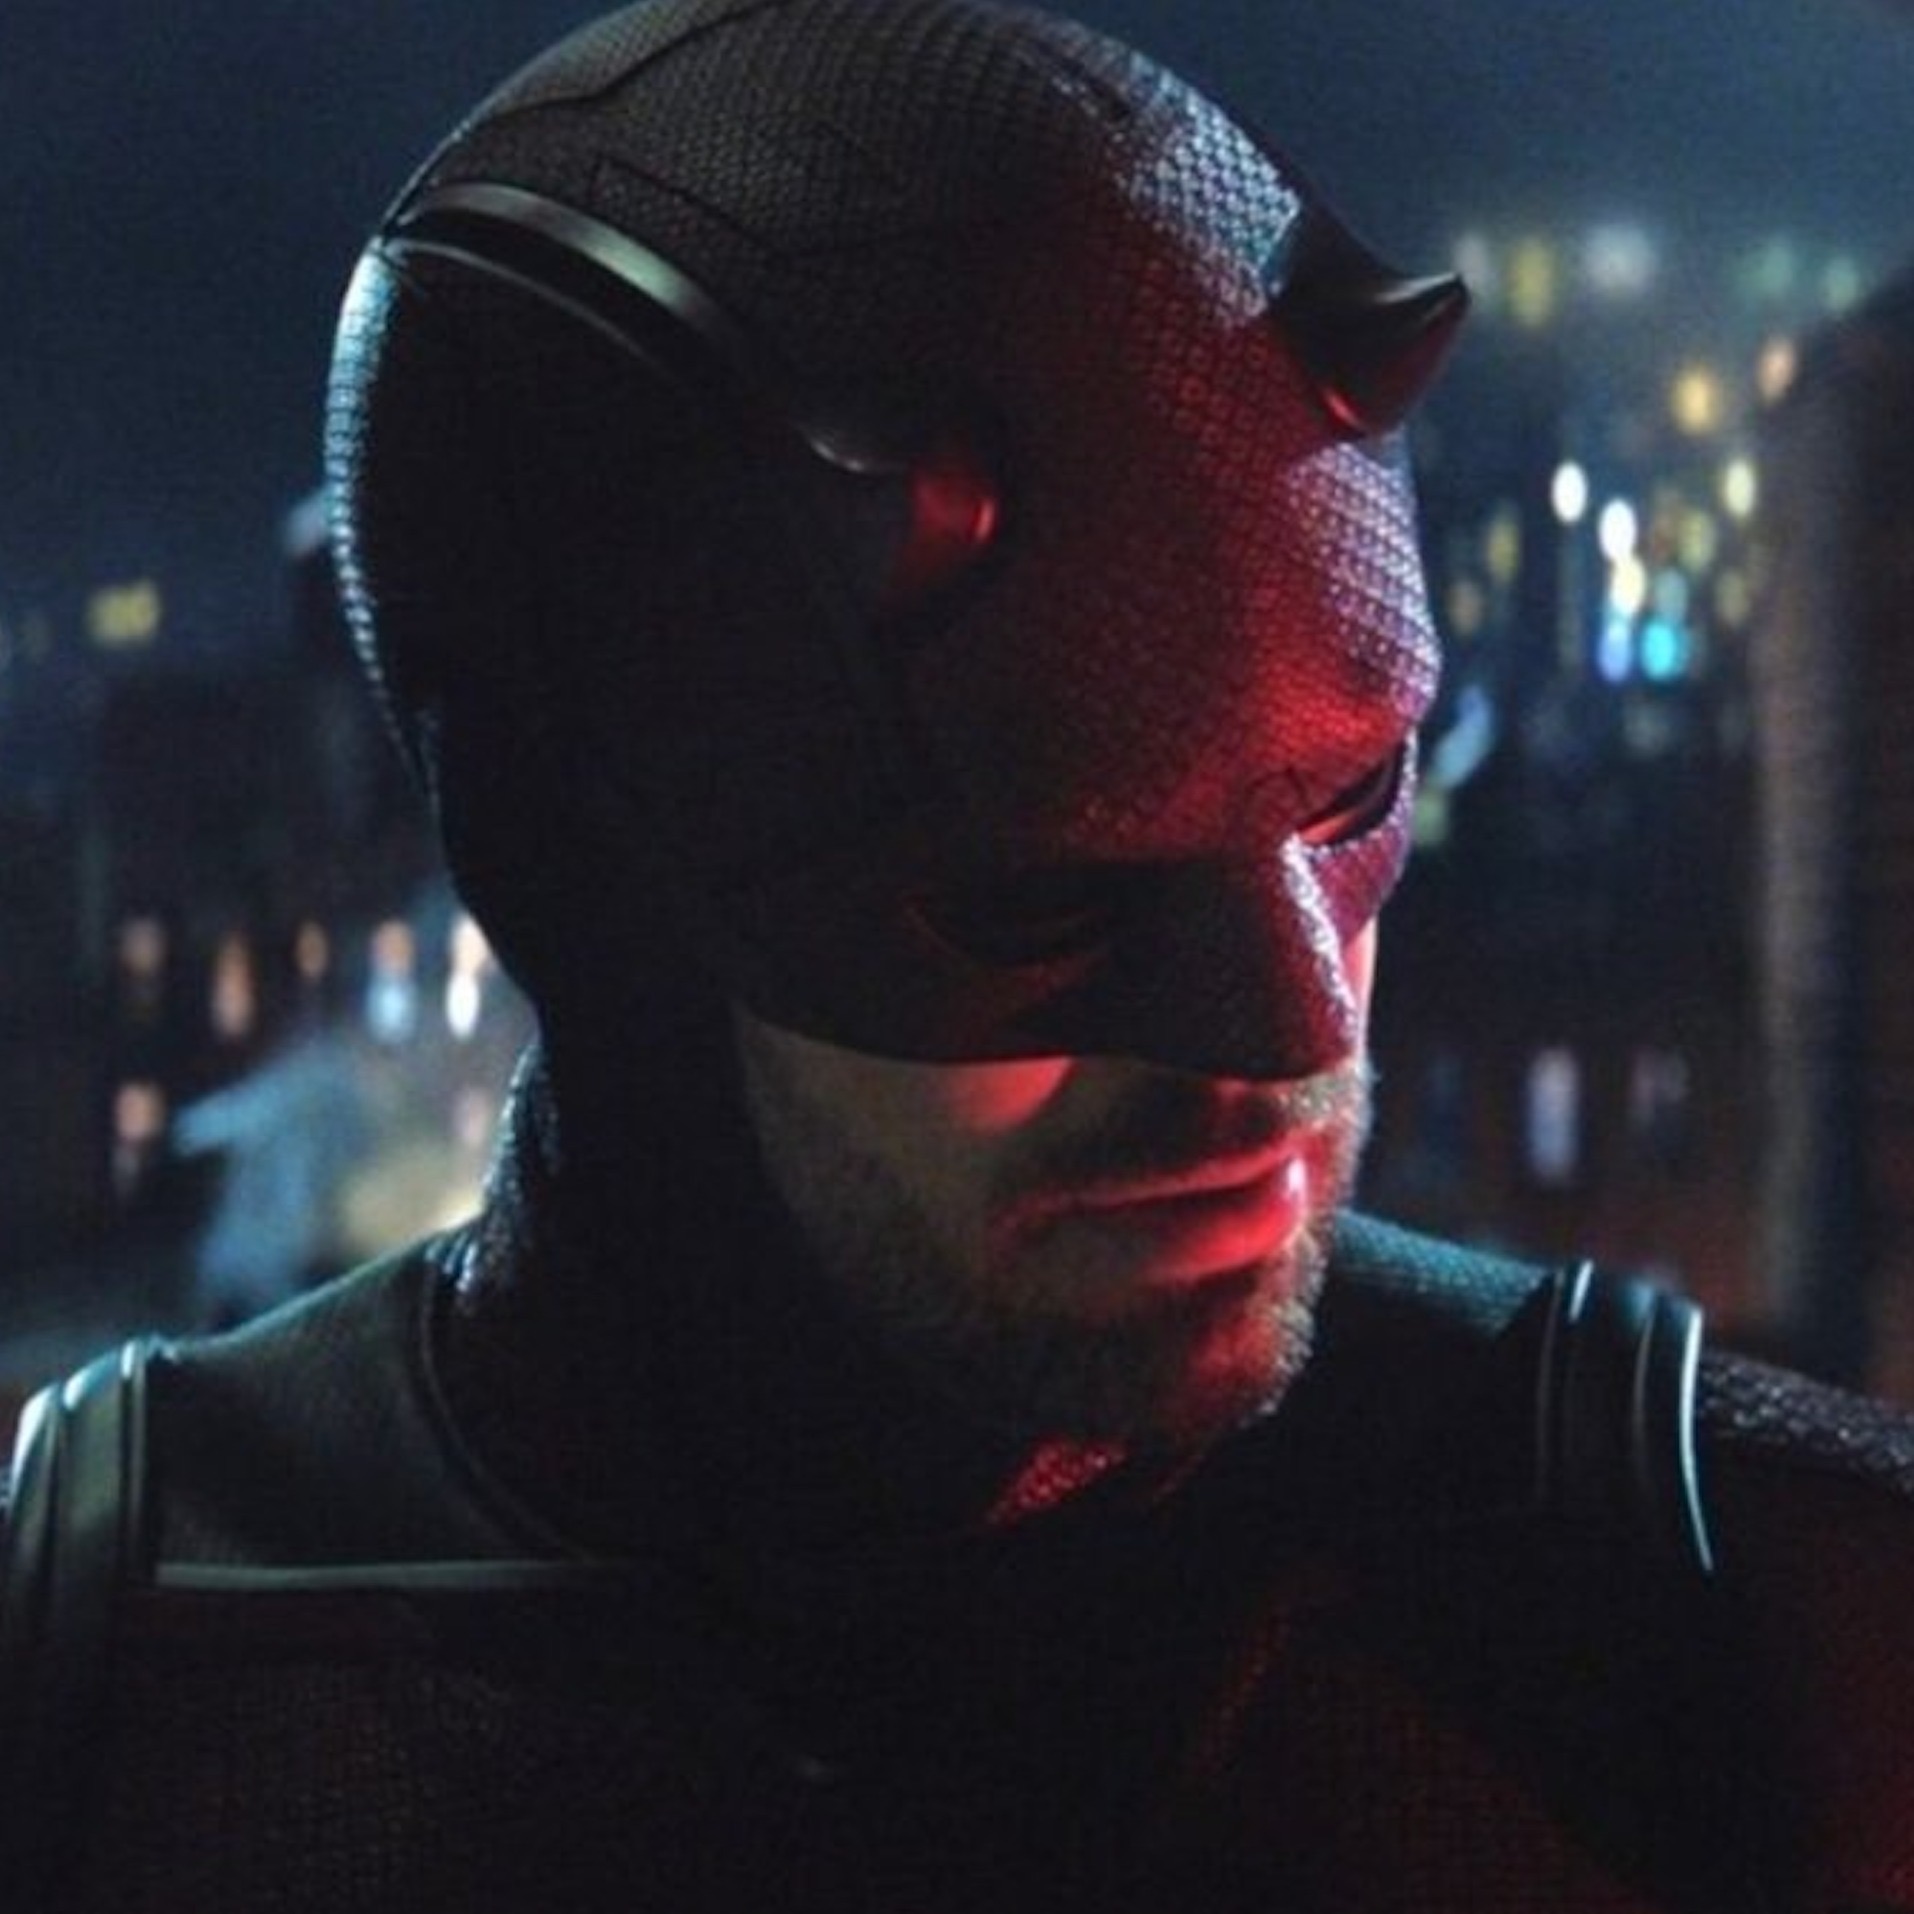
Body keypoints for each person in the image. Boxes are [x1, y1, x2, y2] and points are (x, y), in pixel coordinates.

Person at [5, 1, 1914, 1907]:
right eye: (1042, 898)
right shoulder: (113, 1681)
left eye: (1345, 803)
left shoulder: (1731, 1620)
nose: (1287, 1027)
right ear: (583, 873)